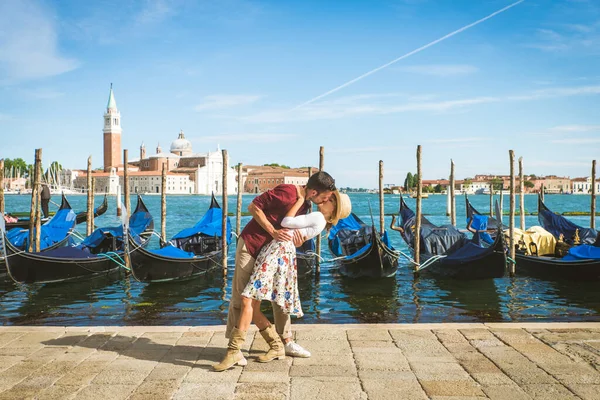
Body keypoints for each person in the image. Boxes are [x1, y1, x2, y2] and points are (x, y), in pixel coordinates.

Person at [214, 183, 351, 371]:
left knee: (259, 299)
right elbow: (254, 207)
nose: (327, 199)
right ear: (314, 191)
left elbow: (290, 225)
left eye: (331, 198)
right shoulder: (289, 193)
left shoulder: (310, 208)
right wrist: (280, 231)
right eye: (328, 196)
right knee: (247, 298)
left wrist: (299, 230)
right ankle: (254, 346)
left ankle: (272, 345)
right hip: (255, 245)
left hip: (276, 251)